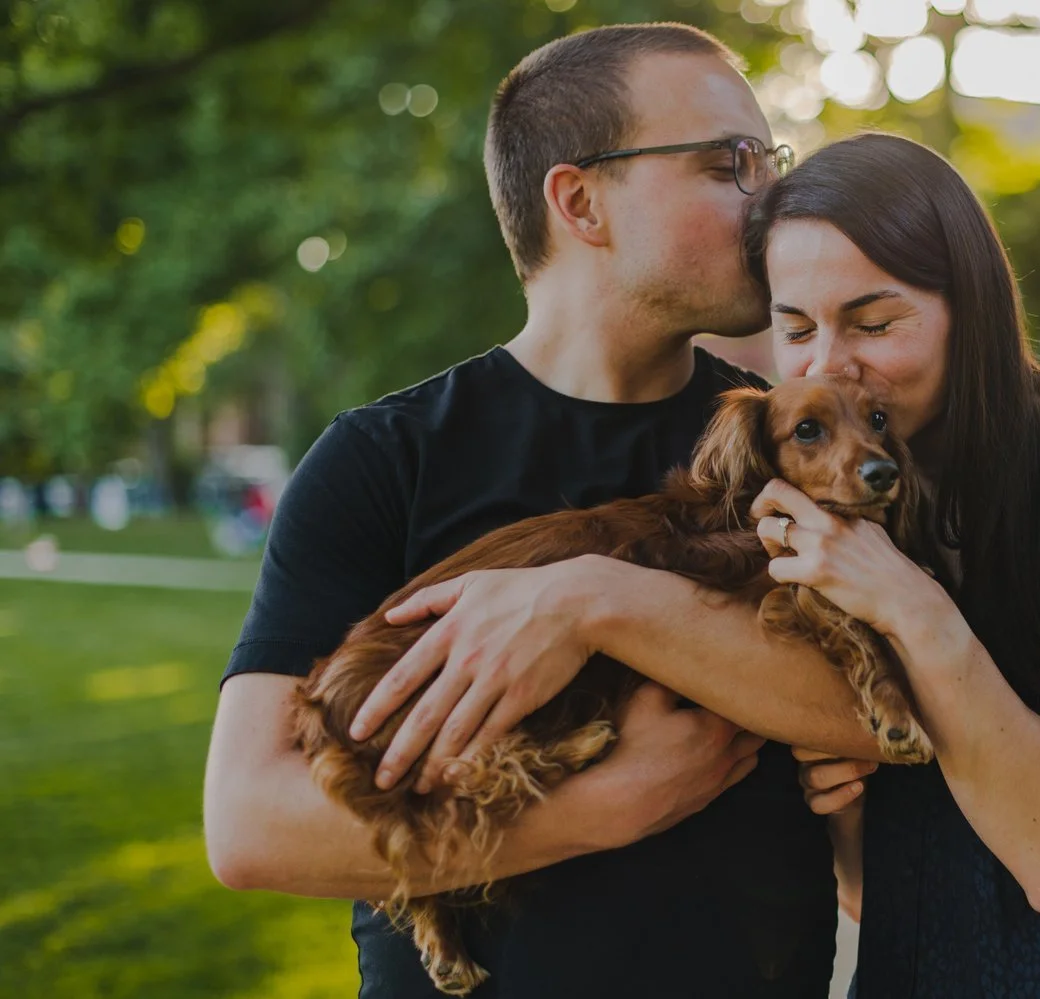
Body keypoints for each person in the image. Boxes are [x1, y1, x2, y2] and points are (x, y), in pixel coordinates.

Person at [362, 133, 1040, 998]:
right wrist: (852, 812)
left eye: (874, 320)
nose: (831, 363)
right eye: (795, 328)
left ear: (974, 308)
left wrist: (907, 604)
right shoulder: (874, 509)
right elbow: (885, 887)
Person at [204, 23, 868, 998]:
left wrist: (594, 601)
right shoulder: (383, 460)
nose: (770, 202)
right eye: (729, 164)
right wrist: (600, 809)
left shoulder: (788, 439)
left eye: (771, 162)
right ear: (580, 201)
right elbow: (250, 824)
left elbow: (872, 709)